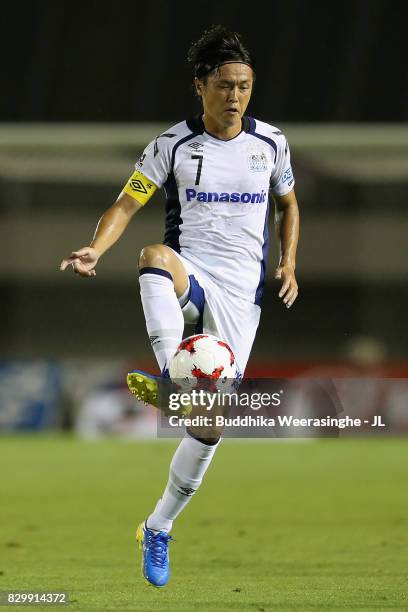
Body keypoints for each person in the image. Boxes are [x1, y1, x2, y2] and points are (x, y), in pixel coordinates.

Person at [60, 25, 299, 588]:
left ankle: (159, 526)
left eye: (244, 85)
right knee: (152, 254)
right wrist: (95, 247)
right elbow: (127, 203)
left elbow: (288, 205)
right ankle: (172, 374)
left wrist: (288, 261)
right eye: (224, 85)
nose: (235, 96)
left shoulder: (272, 144)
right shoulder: (172, 145)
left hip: (242, 296)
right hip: (190, 272)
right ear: (201, 86)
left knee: (209, 427)